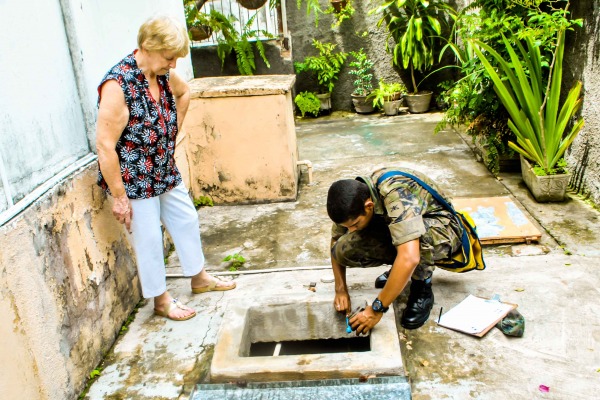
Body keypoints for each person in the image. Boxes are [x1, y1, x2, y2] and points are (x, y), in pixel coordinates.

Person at [95, 15, 235, 321]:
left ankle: (199, 278)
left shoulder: (161, 76)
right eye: (169, 57)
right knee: (148, 237)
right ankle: (161, 300)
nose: (173, 65)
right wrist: (119, 197)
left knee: (185, 218)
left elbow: (184, 93)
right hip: (134, 176)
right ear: (148, 46)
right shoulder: (118, 85)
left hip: (163, 166)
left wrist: (172, 135)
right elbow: (105, 146)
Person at [326, 166, 462, 333]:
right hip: (405, 230)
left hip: (444, 229)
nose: (352, 230)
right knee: (344, 248)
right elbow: (335, 242)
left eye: (354, 224)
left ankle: (422, 286)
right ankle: (401, 273)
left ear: (369, 206)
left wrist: (376, 309)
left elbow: (410, 257)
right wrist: (340, 290)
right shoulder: (349, 201)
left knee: (414, 238)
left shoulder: (395, 193)